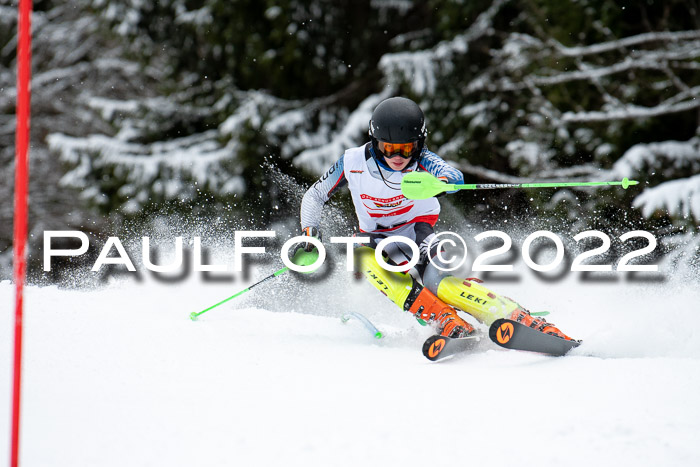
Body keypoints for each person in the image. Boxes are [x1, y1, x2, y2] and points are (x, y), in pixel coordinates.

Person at [293, 96, 574, 341]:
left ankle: (514, 315)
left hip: (419, 232)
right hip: (375, 238)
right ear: (374, 141)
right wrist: (310, 232)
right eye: (389, 148)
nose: (398, 156)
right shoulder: (351, 162)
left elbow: (454, 178)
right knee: (362, 258)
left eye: (406, 148)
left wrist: (440, 183)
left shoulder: (424, 159)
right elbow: (314, 196)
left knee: (437, 281)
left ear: (419, 142)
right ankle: (443, 318)